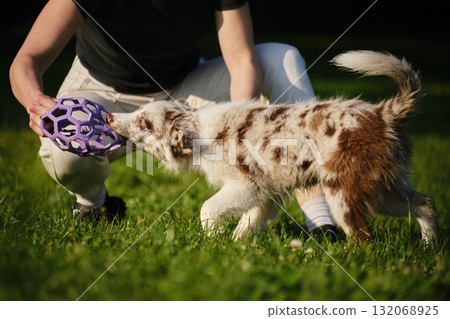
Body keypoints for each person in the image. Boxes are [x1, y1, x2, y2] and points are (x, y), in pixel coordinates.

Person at [10, 0, 338, 239]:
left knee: (282, 58)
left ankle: (319, 217)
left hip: (182, 92)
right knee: (64, 154)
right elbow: (27, 59)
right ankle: (94, 204)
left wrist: (243, 149)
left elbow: (241, 62)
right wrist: (34, 101)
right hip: (101, 91)